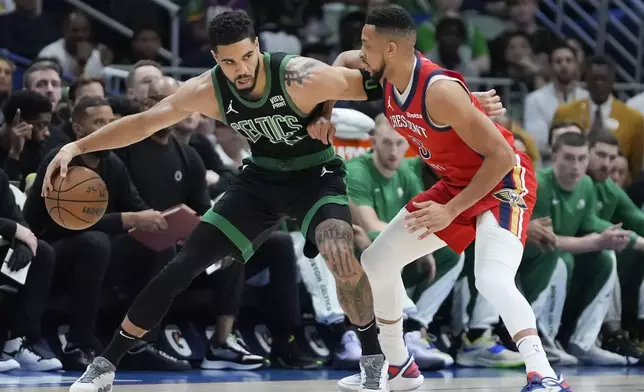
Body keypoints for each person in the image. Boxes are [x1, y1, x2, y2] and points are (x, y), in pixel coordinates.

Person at [42, 10, 504, 392]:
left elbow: (384, 75)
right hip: (258, 182)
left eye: (247, 57)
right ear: (215, 59)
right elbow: (145, 122)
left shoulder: (300, 75)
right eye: (229, 62)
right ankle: (104, 366)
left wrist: (458, 99)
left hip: (315, 178)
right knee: (181, 267)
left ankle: (373, 363)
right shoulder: (208, 89)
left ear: (258, 46)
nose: (240, 70)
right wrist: (77, 148)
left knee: (341, 251)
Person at [334, 5, 568, 391]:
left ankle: (544, 375)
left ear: (391, 49)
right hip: (458, 181)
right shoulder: (389, 77)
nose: (360, 54)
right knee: (377, 261)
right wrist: (470, 102)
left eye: (366, 45)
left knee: (491, 277)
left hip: (503, 180)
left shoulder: (437, 89)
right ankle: (398, 368)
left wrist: (451, 210)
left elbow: (502, 157)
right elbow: (342, 63)